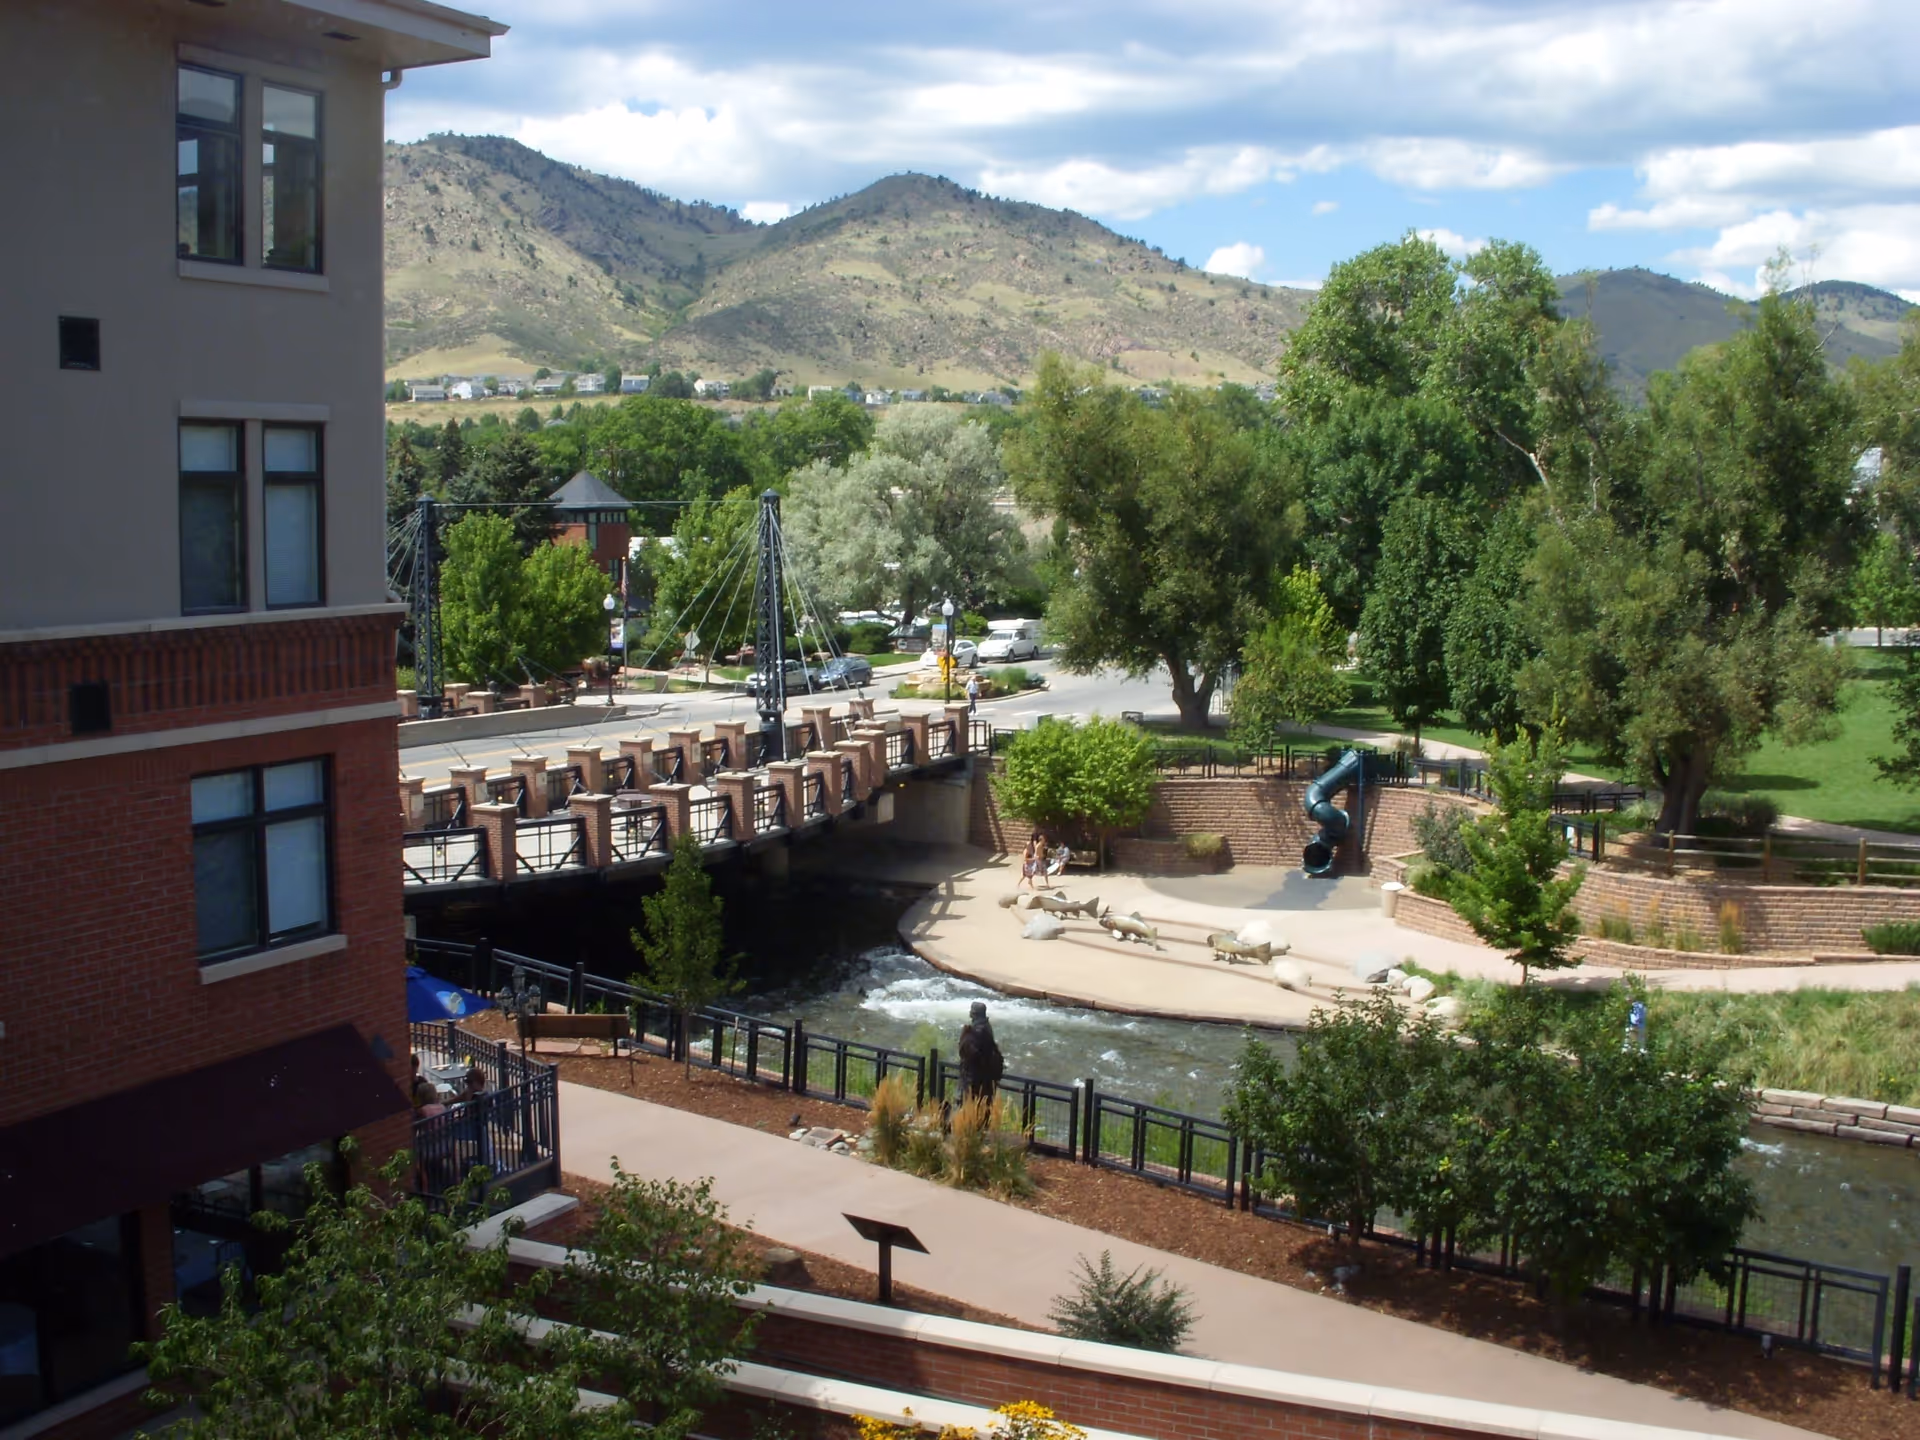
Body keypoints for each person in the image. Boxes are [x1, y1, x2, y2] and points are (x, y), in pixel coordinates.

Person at [955, 1000, 1005, 1106]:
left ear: (973, 1014)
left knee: (967, 1107)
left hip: (974, 1081)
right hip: (984, 1081)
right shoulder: (987, 1028)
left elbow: (971, 1055)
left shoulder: (976, 1032)